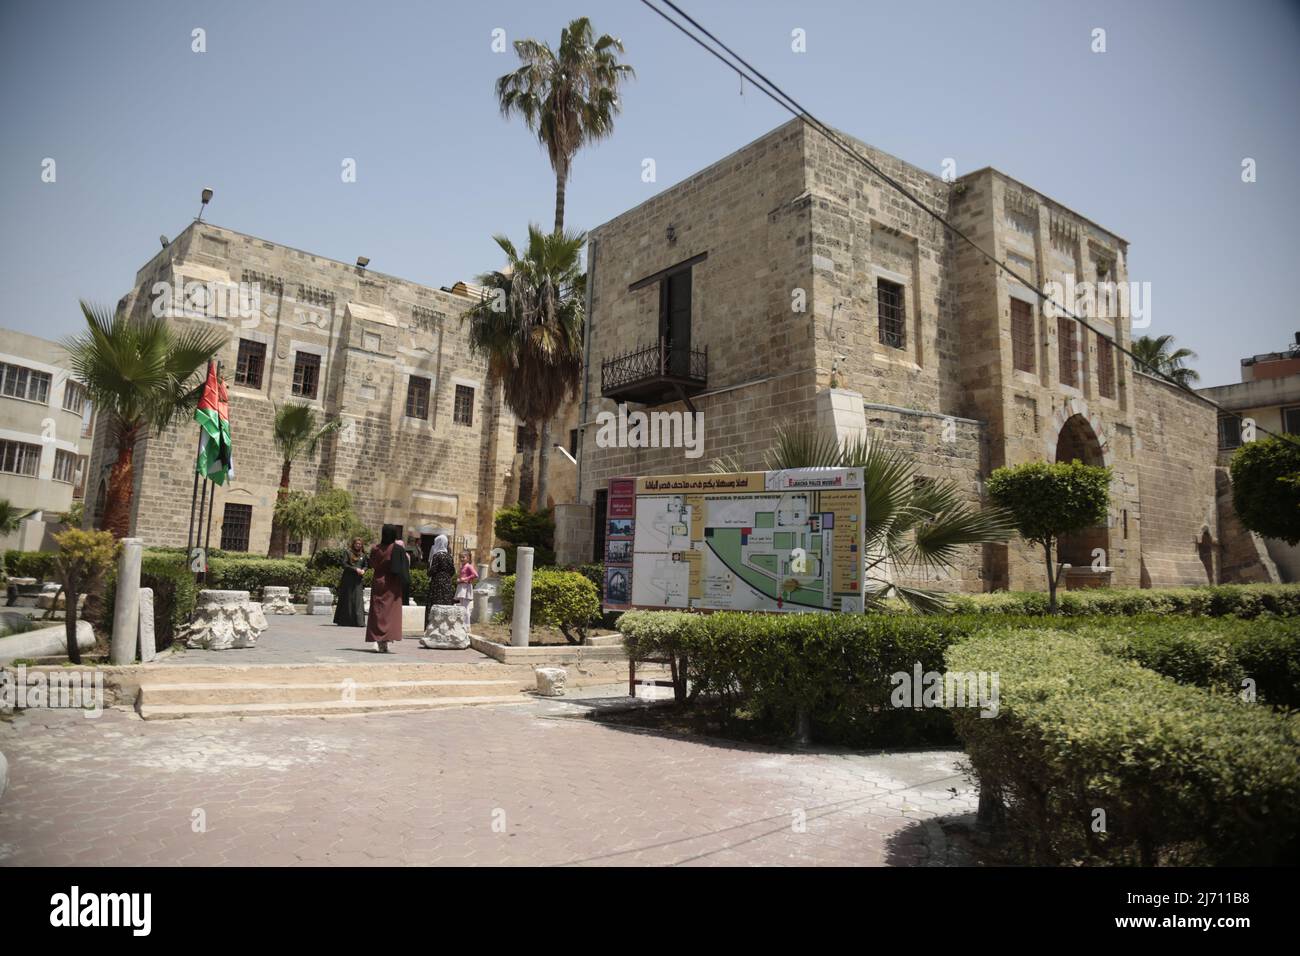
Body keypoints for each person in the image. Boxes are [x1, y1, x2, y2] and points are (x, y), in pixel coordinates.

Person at [365, 524, 409, 653]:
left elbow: (372, 564)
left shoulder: (375, 549)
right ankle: (386, 640)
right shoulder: (396, 548)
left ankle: (379, 639)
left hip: (378, 581)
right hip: (392, 583)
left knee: (378, 611)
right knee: (390, 612)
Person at [333, 537, 367, 627]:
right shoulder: (348, 553)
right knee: (347, 598)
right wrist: (355, 569)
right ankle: (345, 621)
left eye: (359, 544)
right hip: (348, 579)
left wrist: (363, 570)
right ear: (353, 544)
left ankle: (358, 622)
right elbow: (344, 564)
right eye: (356, 544)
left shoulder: (363, 555)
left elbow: (366, 565)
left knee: (357, 599)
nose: (358, 545)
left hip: (358, 580)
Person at [424, 534, 456, 627]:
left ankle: (433, 625)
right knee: (445, 603)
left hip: (437, 583)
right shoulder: (449, 556)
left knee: (435, 603)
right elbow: (452, 570)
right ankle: (445, 625)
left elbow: (433, 570)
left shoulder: (437, 556)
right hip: (447, 583)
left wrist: (429, 572)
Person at [455, 550, 478, 628]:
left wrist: (464, 579)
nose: (461, 559)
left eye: (463, 557)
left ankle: (467, 625)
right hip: (462, 587)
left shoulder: (468, 566)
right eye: (460, 557)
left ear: (468, 558)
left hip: (466, 587)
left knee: (466, 607)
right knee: (462, 606)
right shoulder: (463, 566)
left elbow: (475, 575)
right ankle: (463, 623)